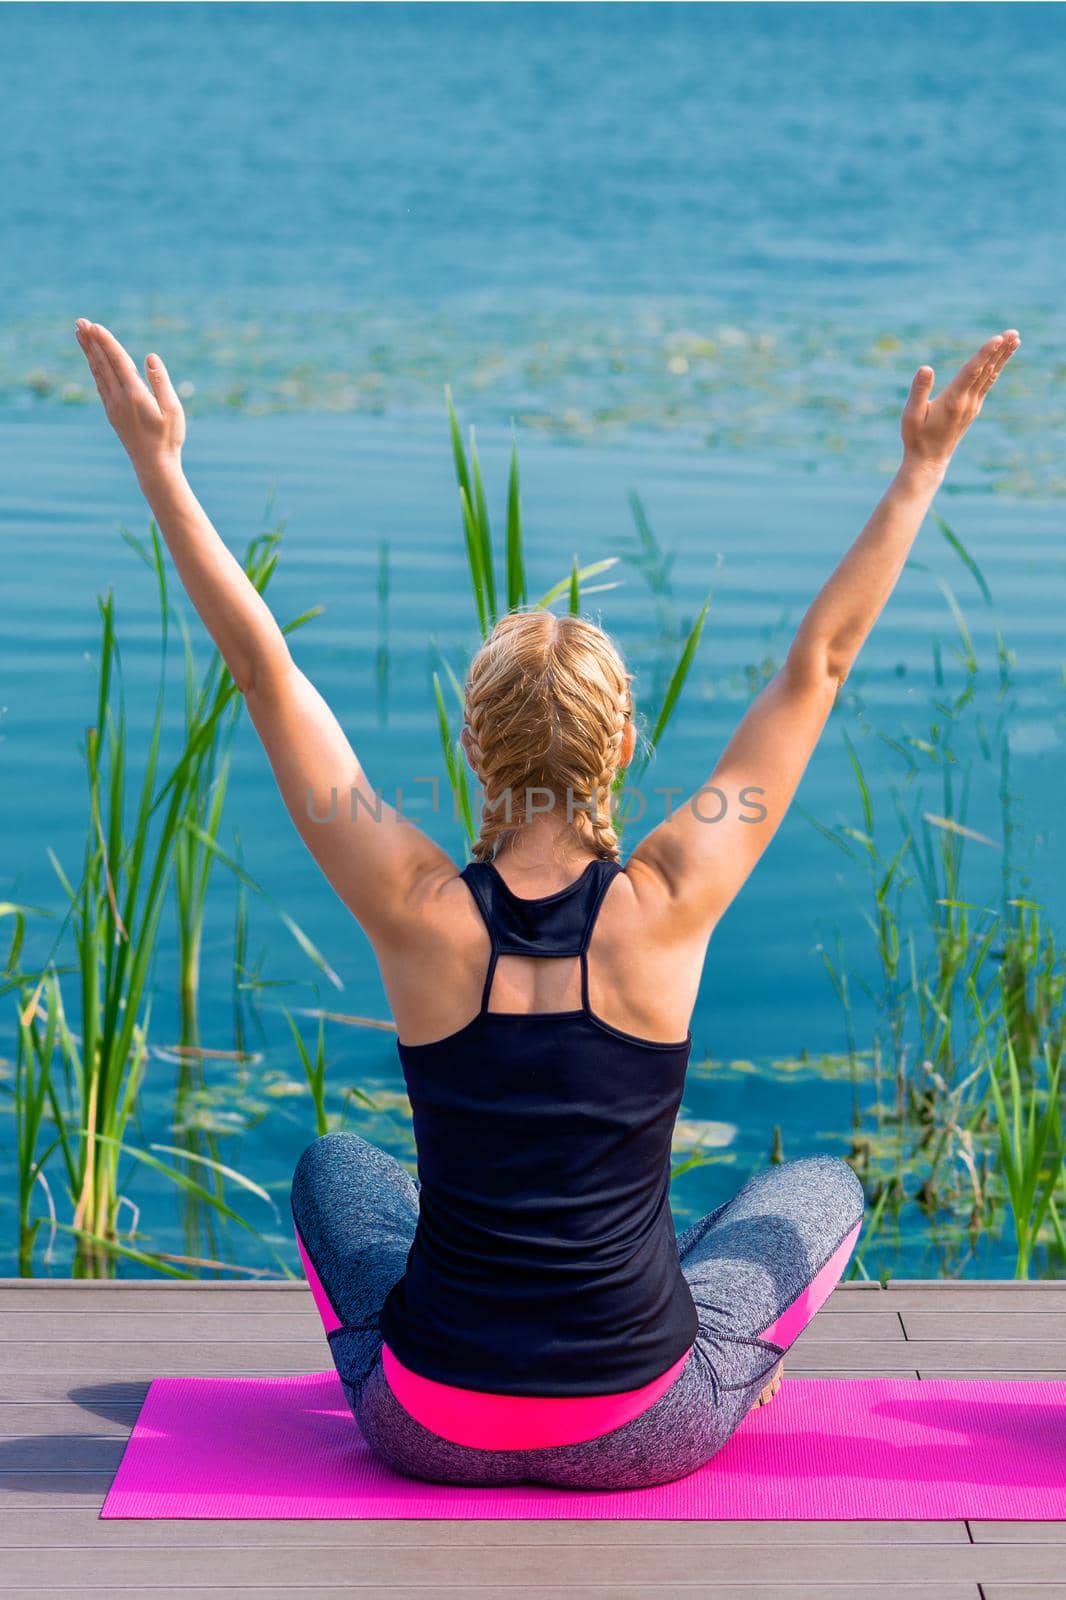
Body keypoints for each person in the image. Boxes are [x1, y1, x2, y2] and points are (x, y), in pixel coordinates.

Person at [75, 318, 1019, 1488]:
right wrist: (921, 463)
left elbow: (265, 670)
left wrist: (160, 464)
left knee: (331, 1166)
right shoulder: (673, 893)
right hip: (639, 1424)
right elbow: (816, 664)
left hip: (428, 1424)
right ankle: (712, 1342)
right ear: (622, 743)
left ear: (472, 744)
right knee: (823, 1188)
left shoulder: (415, 904)